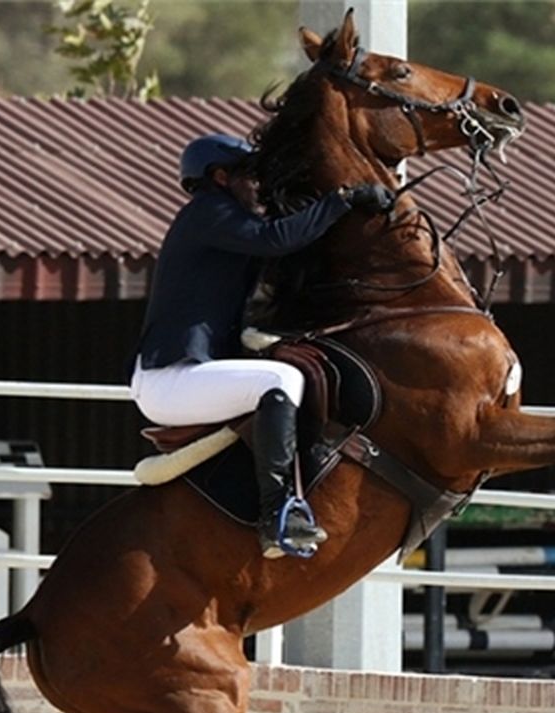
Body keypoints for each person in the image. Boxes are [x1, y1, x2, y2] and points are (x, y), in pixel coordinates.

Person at [129, 133, 393, 559]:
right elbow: (277, 239)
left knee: (287, 370)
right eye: (251, 177)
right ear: (219, 177)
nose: (259, 187)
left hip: (190, 375)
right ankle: (280, 513)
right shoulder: (208, 211)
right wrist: (343, 199)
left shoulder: (226, 222)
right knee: (280, 378)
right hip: (171, 379)